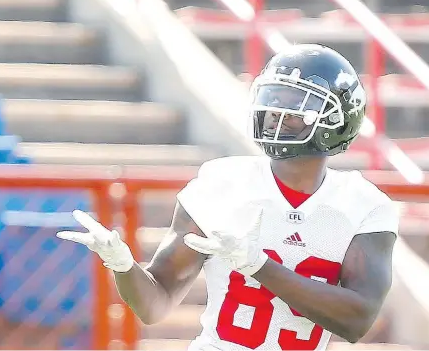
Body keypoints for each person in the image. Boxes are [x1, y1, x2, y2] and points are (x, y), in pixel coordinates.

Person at [57, 44, 399, 351]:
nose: (277, 112)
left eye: (295, 104)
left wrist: (259, 266)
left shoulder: (363, 206)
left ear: (338, 118)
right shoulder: (223, 182)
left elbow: (357, 321)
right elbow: (154, 303)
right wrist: (123, 266)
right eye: (274, 99)